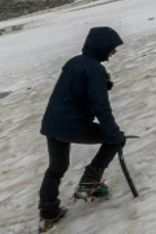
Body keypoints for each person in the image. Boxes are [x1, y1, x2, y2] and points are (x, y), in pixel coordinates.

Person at [37, 26, 126, 233]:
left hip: (52, 123)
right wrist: (114, 133)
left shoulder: (74, 62)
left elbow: (74, 90)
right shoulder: (95, 69)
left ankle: (48, 213)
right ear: (102, 47)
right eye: (112, 48)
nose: (113, 52)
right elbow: (101, 107)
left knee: (56, 168)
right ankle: (89, 183)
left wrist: (101, 86)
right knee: (115, 140)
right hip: (73, 125)